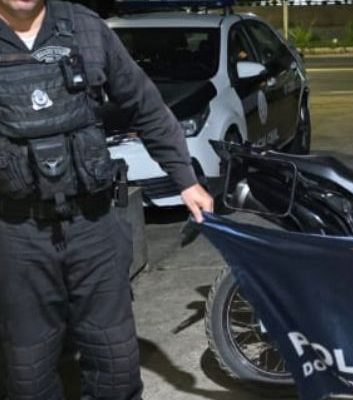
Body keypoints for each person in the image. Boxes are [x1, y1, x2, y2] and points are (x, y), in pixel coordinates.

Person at [0, 0, 214, 399]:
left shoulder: (86, 28)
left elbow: (145, 105)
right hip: (16, 233)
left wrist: (185, 179)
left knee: (115, 365)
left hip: (93, 225)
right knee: (27, 375)